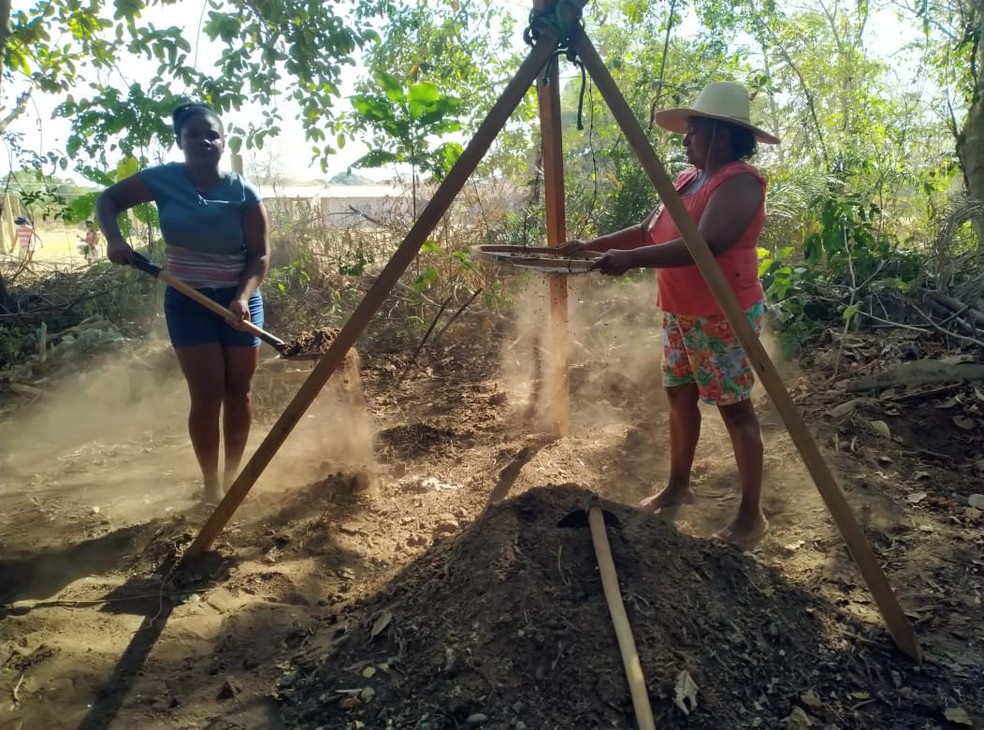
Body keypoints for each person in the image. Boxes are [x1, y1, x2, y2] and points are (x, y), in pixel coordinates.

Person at [560, 81, 780, 547]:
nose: (686, 138)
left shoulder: (739, 182)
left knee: (736, 410)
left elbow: (706, 245)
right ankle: (679, 487)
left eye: (694, 130)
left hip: (721, 314)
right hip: (680, 310)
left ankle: (751, 516)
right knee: (680, 396)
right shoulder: (687, 179)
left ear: (721, 134)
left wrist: (628, 259)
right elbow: (647, 230)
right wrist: (592, 247)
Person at [96, 102, 271, 505]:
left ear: (224, 142)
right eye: (195, 134)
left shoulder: (243, 192)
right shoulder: (162, 180)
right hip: (187, 300)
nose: (204, 141)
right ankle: (212, 484)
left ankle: (234, 477)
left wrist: (242, 297)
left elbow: (260, 255)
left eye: (212, 134)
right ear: (180, 141)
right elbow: (108, 201)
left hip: (238, 301)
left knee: (238, 390)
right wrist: (115, 239)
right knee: (208, 393)